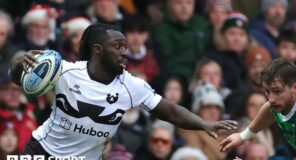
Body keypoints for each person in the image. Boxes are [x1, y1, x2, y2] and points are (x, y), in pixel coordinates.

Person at [10, 23, 237, 159]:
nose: (125, 52)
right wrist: (21, 63)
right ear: (97, 50)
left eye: (126, 47)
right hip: (42, 151)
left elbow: (171, 112)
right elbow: (18, 77)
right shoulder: (65, 71)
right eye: (117, 46)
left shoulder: (132, 86)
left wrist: (203, 123)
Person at [219, 58, 296, 160]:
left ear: (295, 88)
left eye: (277, 91)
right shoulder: (285, 100)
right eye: (267, 91)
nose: (271, 99)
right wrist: (243, 136)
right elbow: (269, 110)